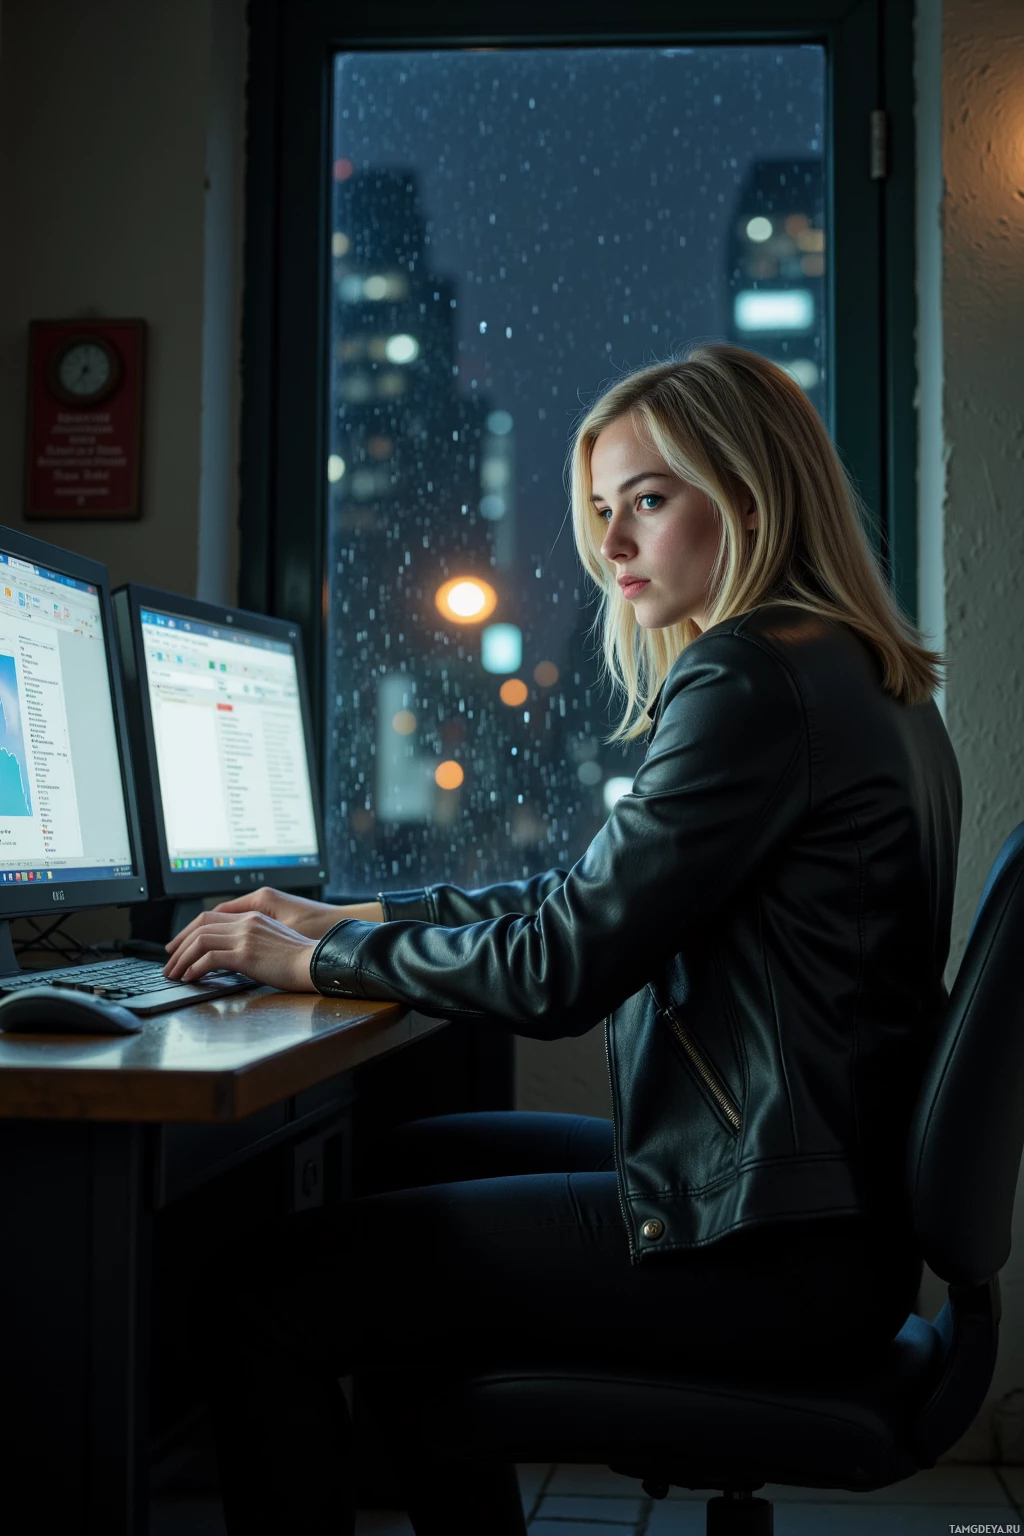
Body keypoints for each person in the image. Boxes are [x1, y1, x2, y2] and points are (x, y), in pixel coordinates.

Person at [168, 344, 961, 1535]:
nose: (611, 546)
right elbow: (584, 895)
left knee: (259, 1290)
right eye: (601, 511)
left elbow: (560, 969)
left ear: (749, 494)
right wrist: (359, 919)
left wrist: (311, 963)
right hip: (821, 1214)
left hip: (770, 1256)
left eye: (648, 499)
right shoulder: (851, 668)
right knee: (416, 1159)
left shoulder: (750, 676)